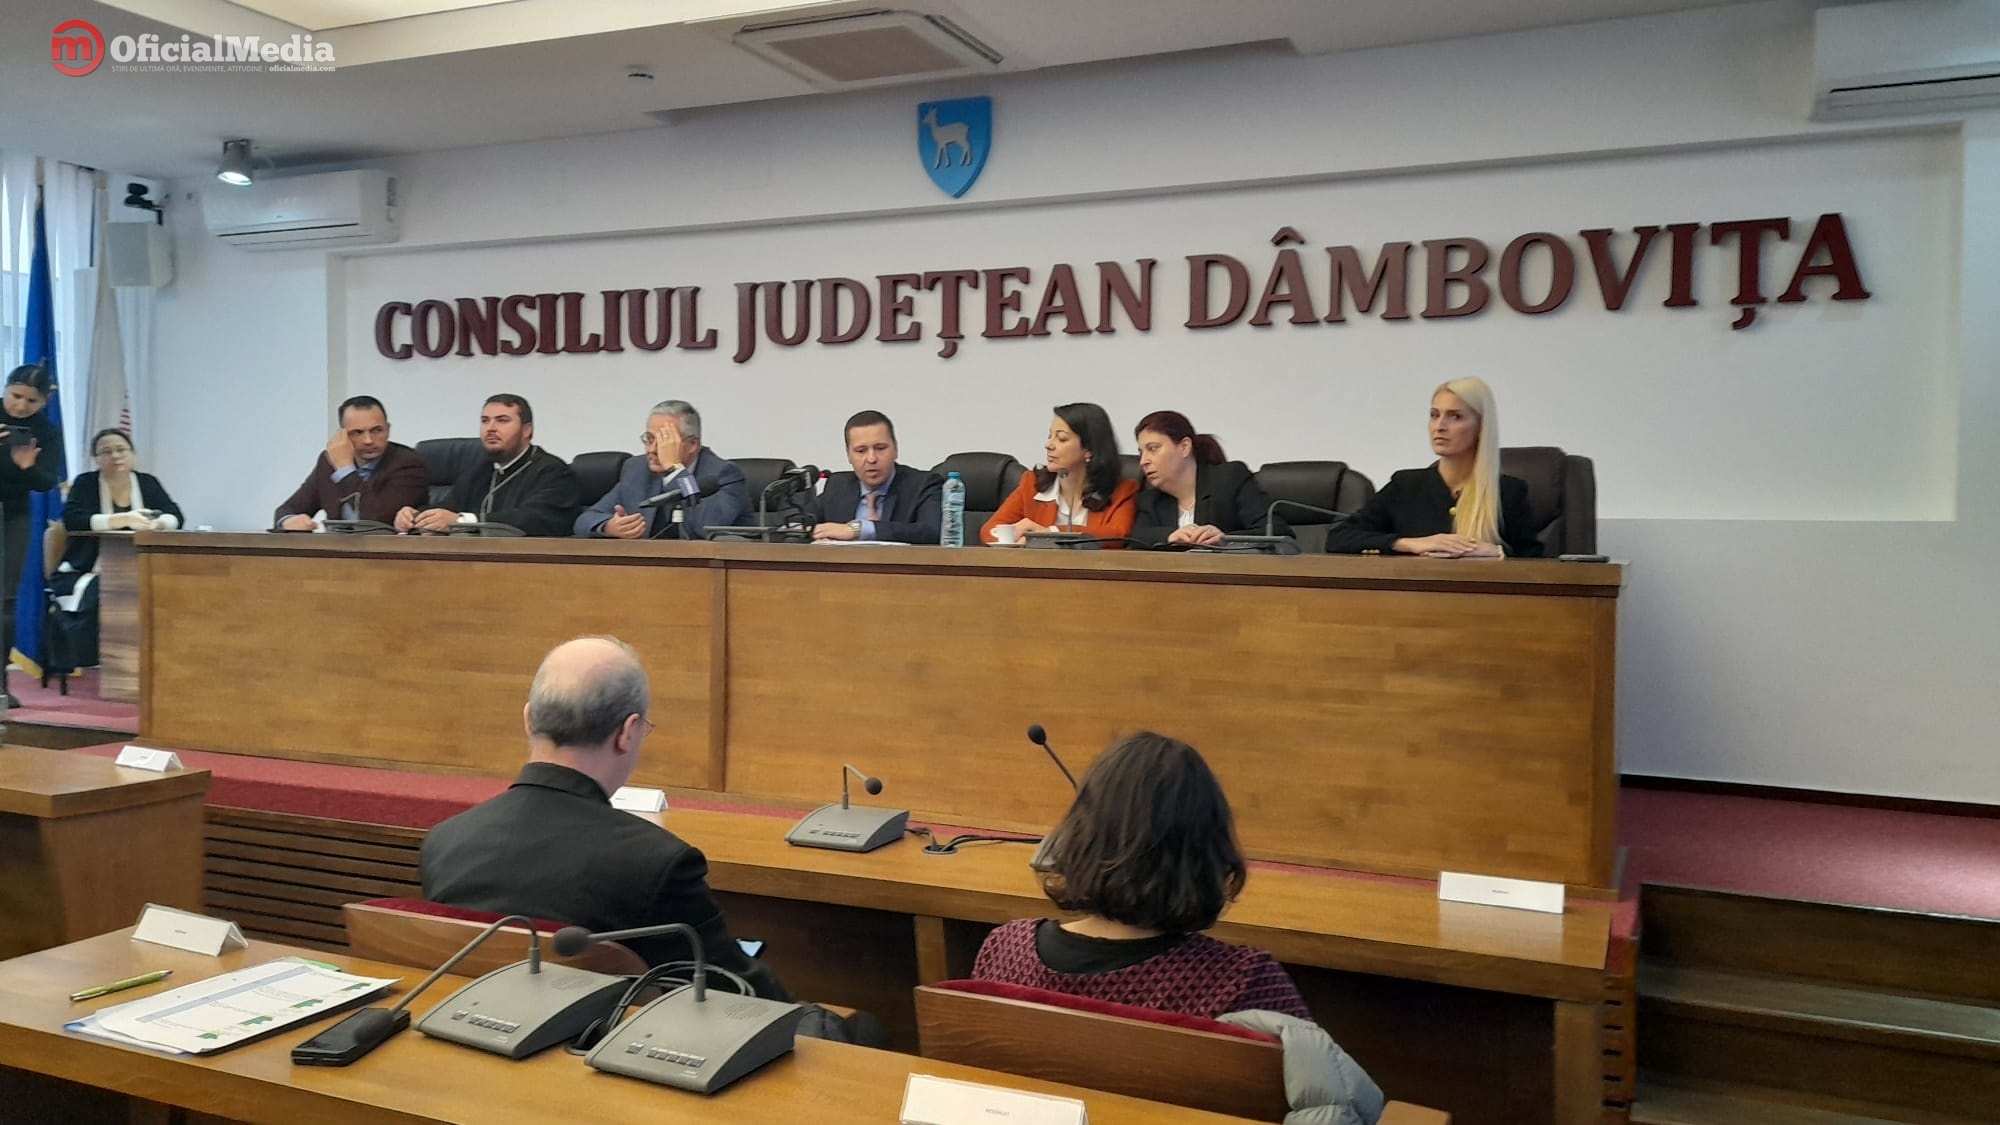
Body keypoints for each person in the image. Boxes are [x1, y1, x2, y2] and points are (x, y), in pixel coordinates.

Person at [421, 635, 786, 998]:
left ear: (529, 719)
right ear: (627, 733)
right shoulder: (657, 862)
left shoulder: (444, 841)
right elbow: (742, 997)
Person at [972, 731, 1311, 1020]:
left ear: (1080, 836)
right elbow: (1326, 1075)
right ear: (1208, 851)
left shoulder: (1004, 951)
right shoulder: (1245, 984)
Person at [1324, 377, 1543, 558]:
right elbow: (1340, 537)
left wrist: (1497, 552)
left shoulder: (1508, 491)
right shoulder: (1406, 486)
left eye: (1455, 416)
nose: (1440, 426)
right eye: (1434, 415)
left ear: (1481, 427)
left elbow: (1537, 560)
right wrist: (1409, 544)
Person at [398, 394, 581, 536]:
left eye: (502, 420)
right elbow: (448, 507)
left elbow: (532, 520)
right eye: (485, 420)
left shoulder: (553, 472)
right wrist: (415, 516)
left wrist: (461, 521)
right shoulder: (480, 470)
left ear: (526, 430)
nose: (490, 428)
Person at [573, 400, 749, 540]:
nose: (651, 450)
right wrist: (608, 526)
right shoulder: (637, 470)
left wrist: (675, 470)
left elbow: (704, 527)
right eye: (649, 439)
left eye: (664, 442)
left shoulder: (723, 474)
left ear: (692, 445)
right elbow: (585, 519)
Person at [980, 403, 1138, 545]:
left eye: (1061, 439)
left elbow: (1117, 535)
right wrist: (1020, 540)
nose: (1048, 445)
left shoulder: (1123, 491)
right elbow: (989, 531)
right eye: (1050, 436)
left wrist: (1049, 533)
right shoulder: (1032, 484)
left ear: (1089, 449)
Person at [0, 364, 63, 704]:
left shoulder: (46, 432)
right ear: (5, 388)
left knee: (5, 601)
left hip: (13, 513)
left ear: (44, 402)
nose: (21, 406)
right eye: (16, 396)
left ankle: (0, 684)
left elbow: (47, 482)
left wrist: (28, 467)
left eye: (32, 401)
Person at [1129, 411, 1285, 547]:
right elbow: (1136, 537)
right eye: (1141, 452)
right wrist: (1169, 536)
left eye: (1153, 449)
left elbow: (1278, 531)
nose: (1143, 461)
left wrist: (1225, 539)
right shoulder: (1151, 499)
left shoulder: (1229, 479)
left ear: (1184, 447)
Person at [274, 395, 428, 530]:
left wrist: (346, 470)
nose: (368, 440)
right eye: (357, 432)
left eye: (377, 430)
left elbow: (377, 520)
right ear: (342, 435)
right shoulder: (328, 461)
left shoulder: (406, 463)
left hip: (386, 551)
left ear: (388, 430)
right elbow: (287, 509)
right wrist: (288, 521)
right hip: (337, 549)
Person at [812, 410, 942, 544]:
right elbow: (805, 524)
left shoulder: (923, 484)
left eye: (880, 448)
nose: (872, 459)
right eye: (861, 451)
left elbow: (933, 531)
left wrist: (859, 530)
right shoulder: (837, 486)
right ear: (848, 454)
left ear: (895, 449)